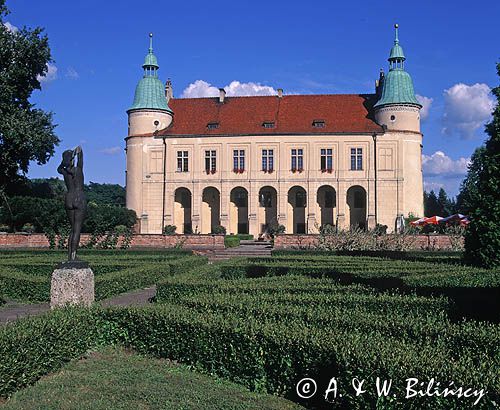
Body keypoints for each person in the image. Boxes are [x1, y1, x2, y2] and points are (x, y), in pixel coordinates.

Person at [57, 146, 87, 261]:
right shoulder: (77, 170)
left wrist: (66, 159)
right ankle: (74, 256)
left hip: (69, 198)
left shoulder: (64, 171)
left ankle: (70, 256)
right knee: (77, 229)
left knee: (72, 229)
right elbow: (81, 160)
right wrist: (78, 152)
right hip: (79, 198)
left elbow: (59, 168)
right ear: (71, 159)